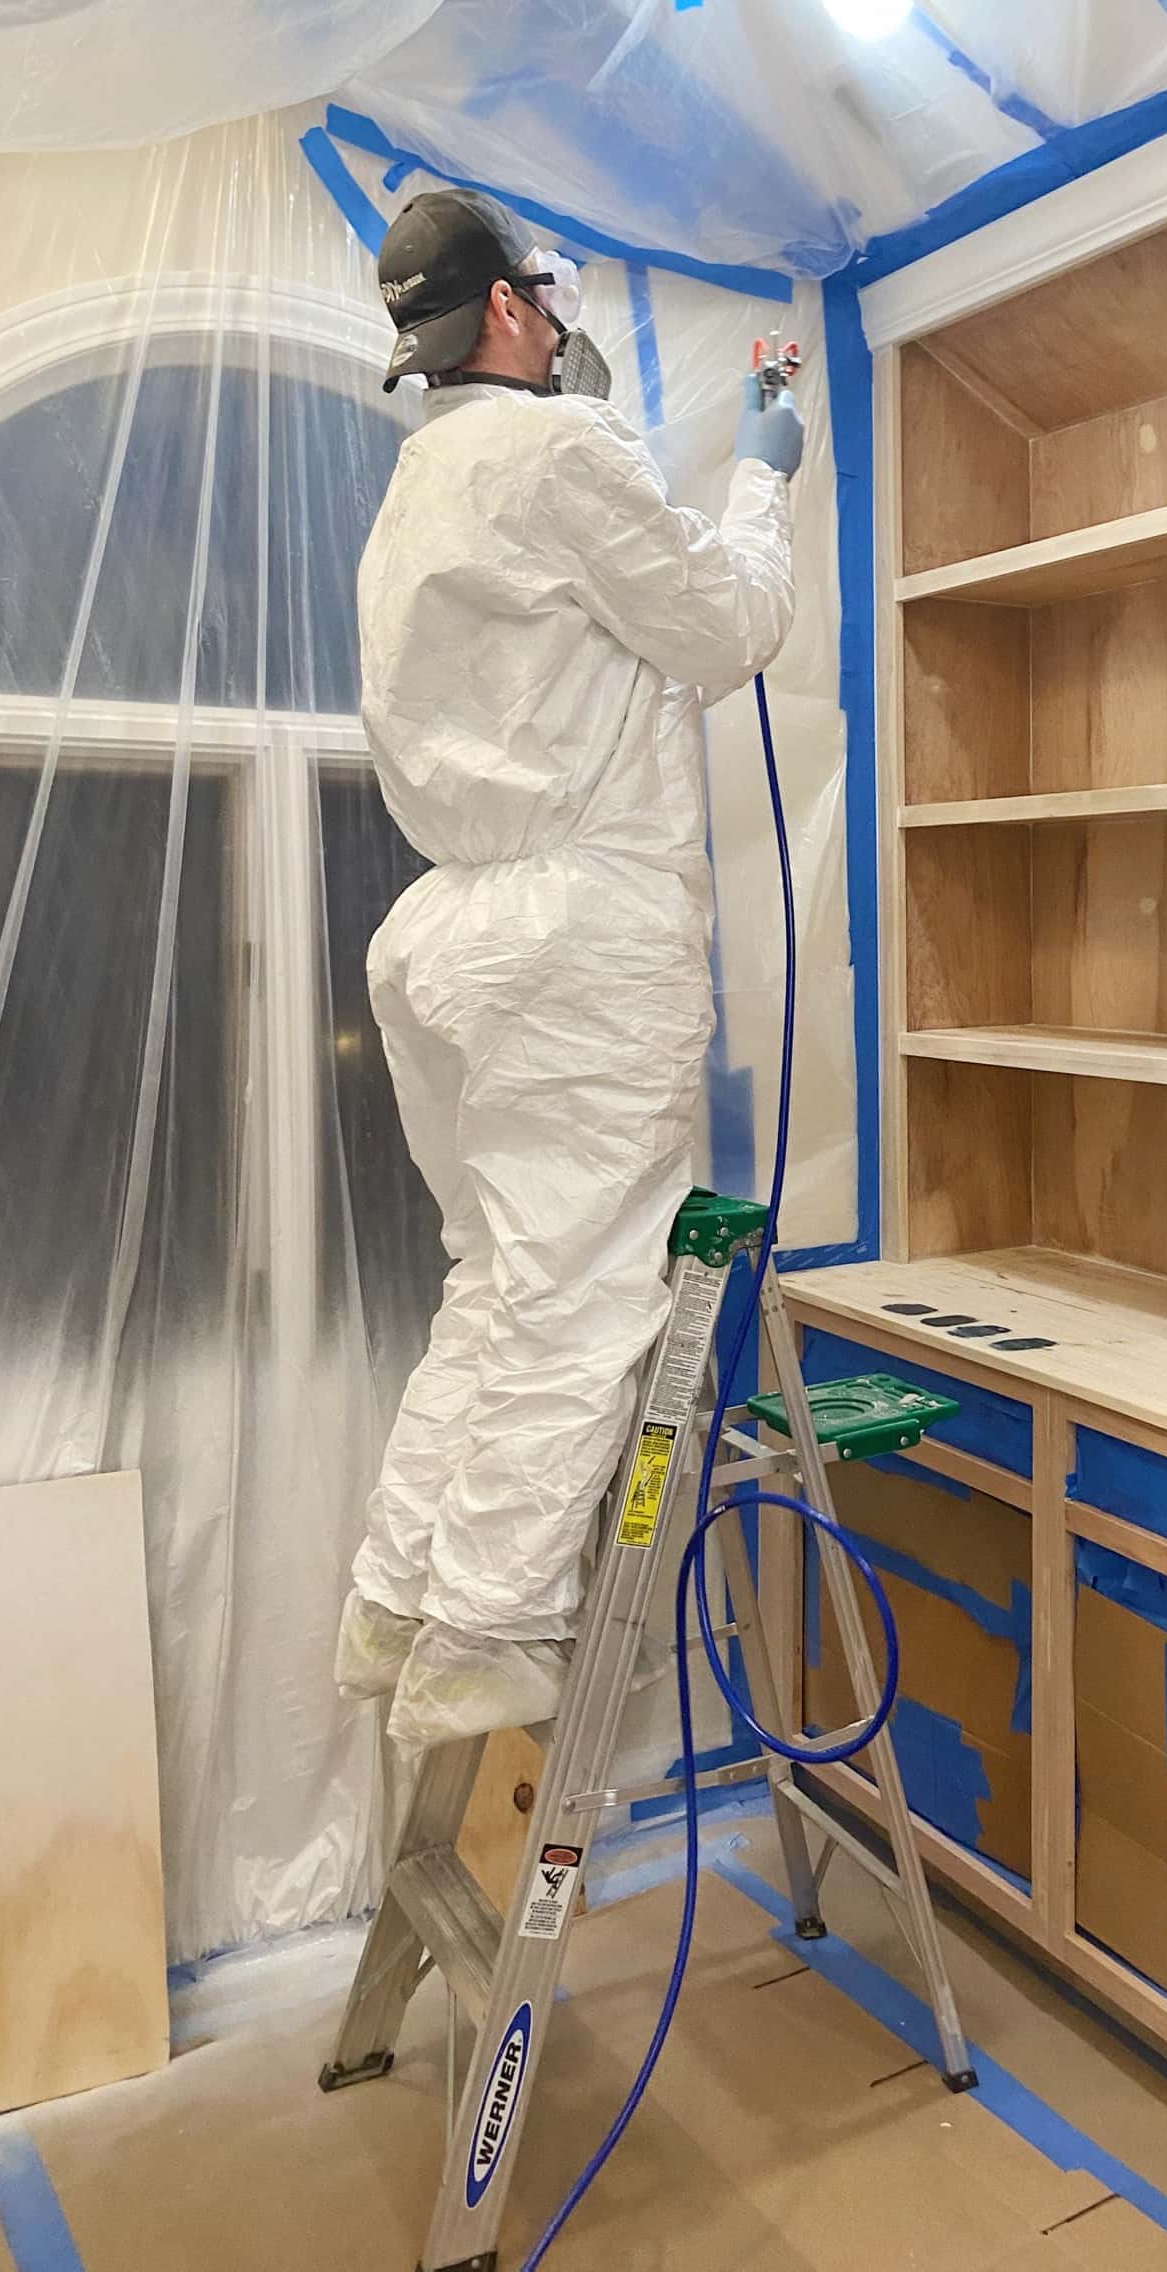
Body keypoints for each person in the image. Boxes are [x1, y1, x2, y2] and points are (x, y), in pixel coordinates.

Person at [332, 186, 801, 1752]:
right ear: (517, 315)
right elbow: (725, 626)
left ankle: (399, 1593)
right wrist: (762, 480)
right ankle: (486, 1633)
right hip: (575, 946)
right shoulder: (556, 453)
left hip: (449, 939)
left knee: (494, 1285)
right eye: (547, 297)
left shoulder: (422, 490)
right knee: (583, 1293)